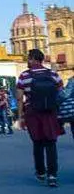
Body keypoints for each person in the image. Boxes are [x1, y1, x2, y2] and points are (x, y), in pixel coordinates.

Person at [16, 48, 63, 188]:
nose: (27, 61)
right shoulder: (53, 75)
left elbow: (19, 98)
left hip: (32, 113)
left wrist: (20, 116)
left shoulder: (24, 76)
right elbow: (61, 94)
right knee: (51, 143)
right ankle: (52, 175)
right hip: (50, 112)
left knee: (37, 143)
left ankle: (41, 171)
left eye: (28, 58)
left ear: (32, 59)